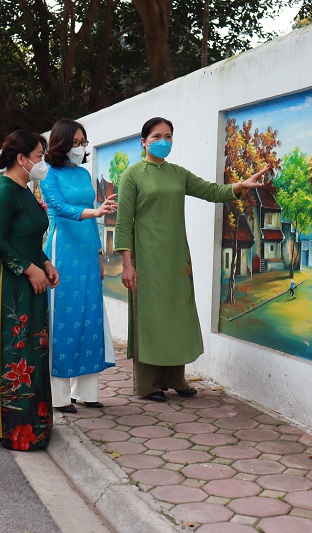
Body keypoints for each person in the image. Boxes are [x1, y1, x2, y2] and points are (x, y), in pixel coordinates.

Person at [114, 117, 270, 402]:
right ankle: (149, 384)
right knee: (151, 318)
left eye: (169, 136)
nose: (164, 141)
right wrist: (127, 263)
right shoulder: (133, 175)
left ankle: (175, 378)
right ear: (144, 141)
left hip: (176, 257)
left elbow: (211, 191)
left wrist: (239, 186)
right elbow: (123, 223)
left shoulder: (178, 174)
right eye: (157, 136)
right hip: (146, 258)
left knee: (177, 315)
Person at [0, 130, 60, 450]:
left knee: (31, 351)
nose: (42, 162)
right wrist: (28, 268)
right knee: (11, 353)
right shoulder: (3, 192)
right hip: (7, 284)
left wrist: (44, 263)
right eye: (39, 156)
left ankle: (33, 422)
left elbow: (27, 238)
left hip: (29, 279)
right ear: (21, 159)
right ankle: (11, 429)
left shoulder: (26, 190)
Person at [41, 119, 118, 413]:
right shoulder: (49, 176)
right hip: (63, 250)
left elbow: (92, 219)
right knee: (64, 316)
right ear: (60, 143)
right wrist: (95, 210)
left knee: (90, 315)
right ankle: (59, 395)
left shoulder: (85, 174)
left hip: (87, 249)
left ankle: (86, 392)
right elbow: (59, 208)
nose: (80, 147)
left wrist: (100, 254)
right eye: (74, 142)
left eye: (83, 142)